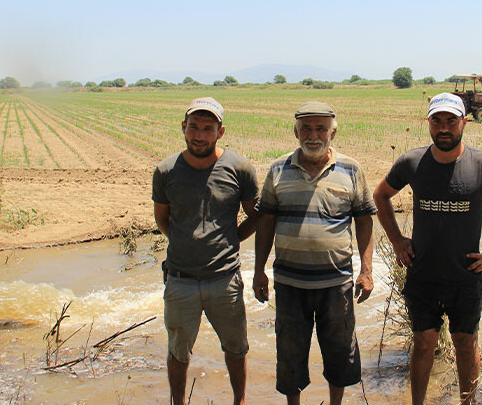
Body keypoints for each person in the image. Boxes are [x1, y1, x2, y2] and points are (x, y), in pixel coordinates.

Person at [373, 93, 482, 405]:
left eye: (450, 121)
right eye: (437, 121)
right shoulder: (411, 162)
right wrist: (397, 241)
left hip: (466, 275)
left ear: (465, 122)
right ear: (428, 123)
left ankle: (467, 402)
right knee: (424, 342)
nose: (443, 128)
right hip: (423, 273)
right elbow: (380, 196)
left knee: (465, 341)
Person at [252, 101, 376, 405]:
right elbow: (266, 221)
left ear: (333, 131)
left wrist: (367, 271)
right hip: (290, 284)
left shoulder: (351, 168)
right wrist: (258, 272)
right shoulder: (278, 169)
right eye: (306, 128)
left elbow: (364, 220)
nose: (313, 134)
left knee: (340, 352)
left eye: (321, 128)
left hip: (336, 283)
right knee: (290, 354)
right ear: (295, 131)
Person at [152, 97, 259, 405]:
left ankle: (239, 401)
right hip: (180, 280)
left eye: (208, 129)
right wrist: (186, 242)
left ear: (220, 132)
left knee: (237, 349)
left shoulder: (239, 168)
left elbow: (256, 215)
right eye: (194, 127)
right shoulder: (166, 170)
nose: (199, 135)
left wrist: (230, 240)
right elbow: (162, 219)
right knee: (178, 351)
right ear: (183, 127)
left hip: (224, 279)